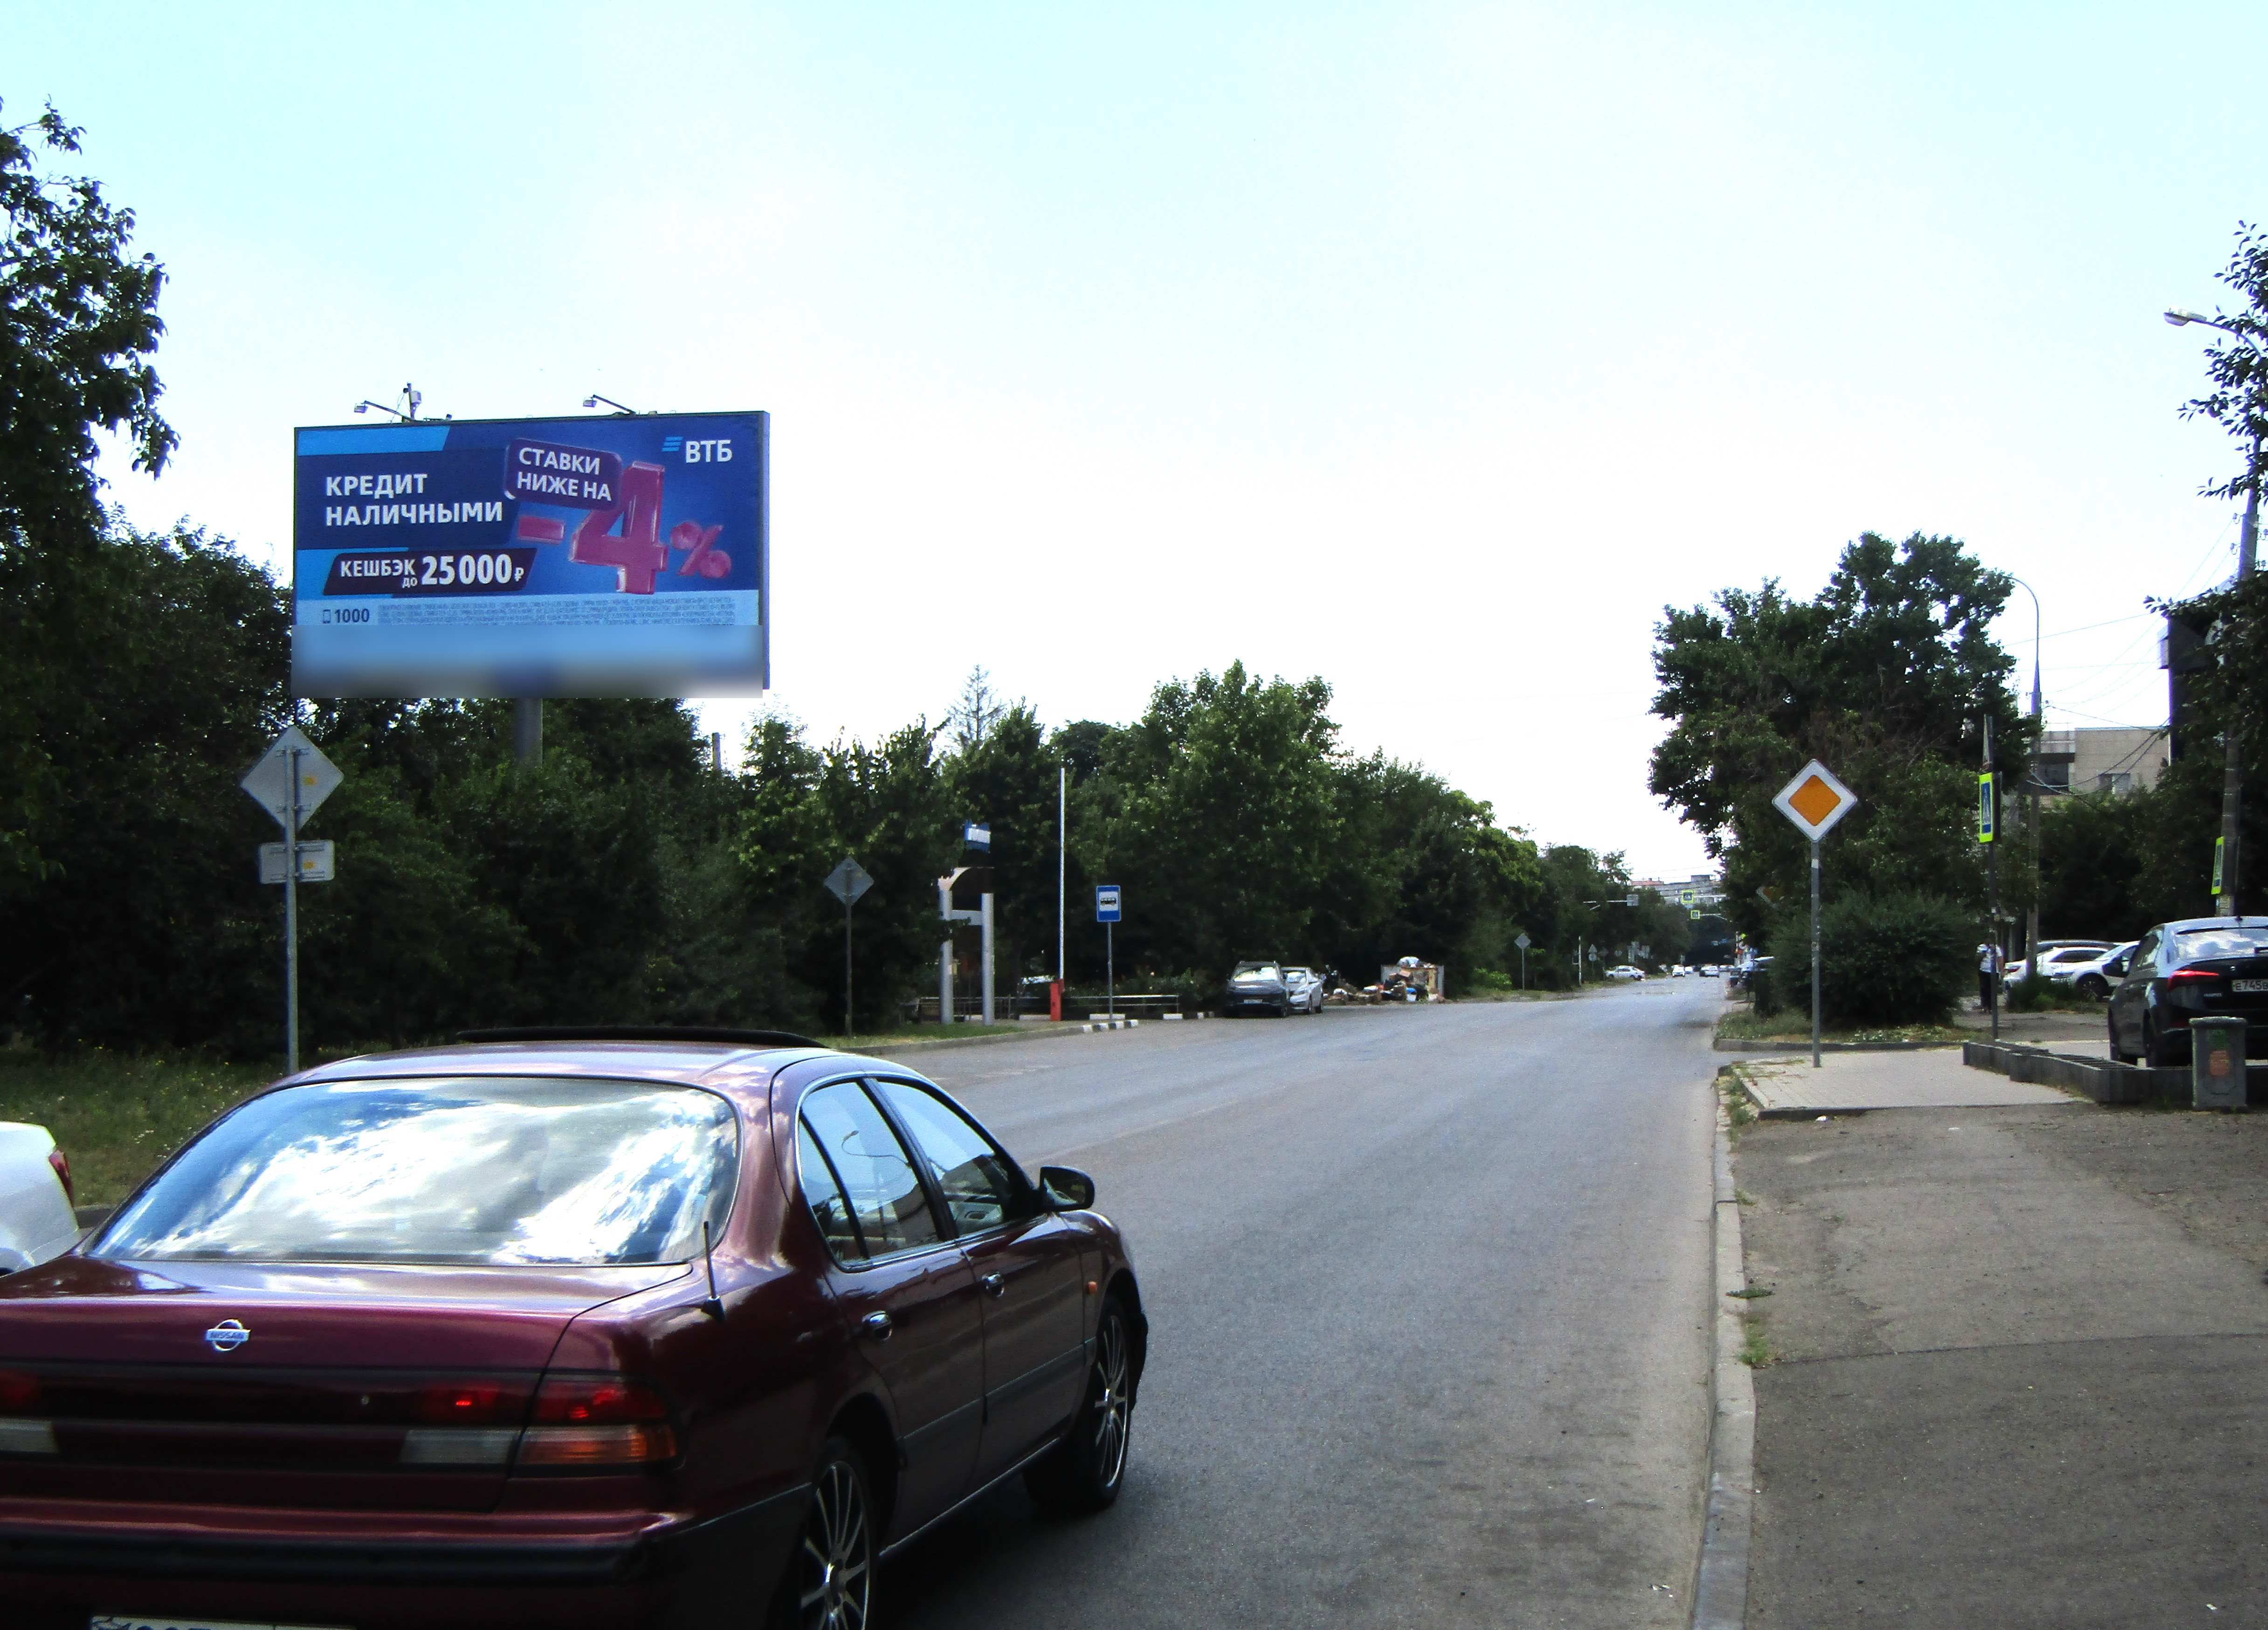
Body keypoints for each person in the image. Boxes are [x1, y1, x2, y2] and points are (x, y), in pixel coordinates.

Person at [1977, 941, 2002, 1011]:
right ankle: (1984, 1006)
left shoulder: (1997, 948)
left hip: (1994, 971)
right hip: (1984, 970)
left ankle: (1992, 1007)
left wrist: (2001, 970)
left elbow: (2000, 959)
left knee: (1993, 989)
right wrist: (1984, 953)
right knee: (1984, 989)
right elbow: (1978, 959)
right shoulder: (1981, 947)